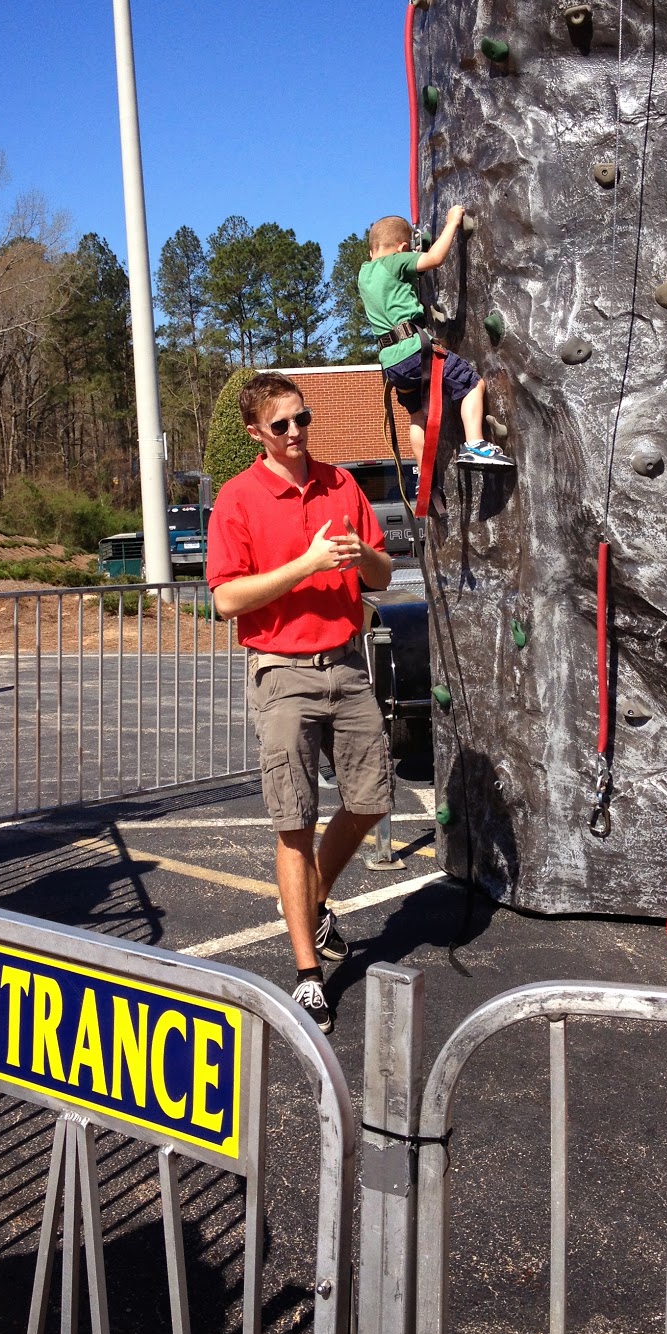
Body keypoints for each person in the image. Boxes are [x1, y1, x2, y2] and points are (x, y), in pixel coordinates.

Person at [206, 373, 394, 1033]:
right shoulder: (237, 498)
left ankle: (311, 902)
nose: (295, 433)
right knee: (295, 820)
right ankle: (308, 974)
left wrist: (363, 554)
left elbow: (382, 574)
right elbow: (226, 599)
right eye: (280, 424)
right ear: (255, 433)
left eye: (302, 418)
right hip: (281, 671)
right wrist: (306, 566)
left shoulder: (341, 484)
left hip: (346, 662)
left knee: (371, 800)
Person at [357, 206, 513, 467]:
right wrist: (451, 223)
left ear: (371, 250)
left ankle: (424, 474)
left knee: (417, 414)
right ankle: (476, 445)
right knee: (471, 384)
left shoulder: (364, 273)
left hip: (391, 363)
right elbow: (434, 259)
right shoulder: (395, 261)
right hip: (413, 352)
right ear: (402, 248)